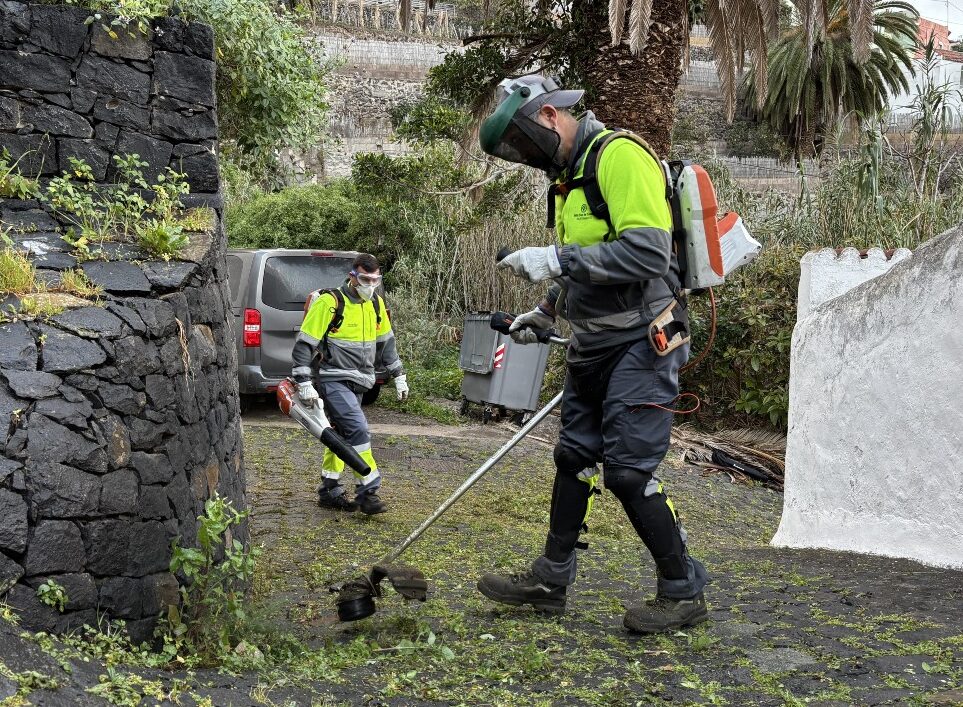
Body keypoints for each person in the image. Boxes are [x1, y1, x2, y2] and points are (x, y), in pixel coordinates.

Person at [475, 75, 709, 633]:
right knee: (572, 458)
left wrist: (557, 259)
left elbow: (647, 253)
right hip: (592, 342)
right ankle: (550, 580)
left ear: (551, 117)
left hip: (644, 339)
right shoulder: (568, 181)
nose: (528, 157)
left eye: (527, 142)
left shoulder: (619, 156)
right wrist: (547, 311)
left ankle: (683, 589)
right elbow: (586, 260)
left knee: (628, 472)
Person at [291, 253, 408, 515]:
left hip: (361, 380)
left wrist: (398, 375)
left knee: (341, 434)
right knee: (358, 431)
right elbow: (305, 344)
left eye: (376, 280)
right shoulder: (330, 303)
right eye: (366, 279)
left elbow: (386, 343)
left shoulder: (375, 304)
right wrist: (303, 380)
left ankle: (329, 489)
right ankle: (368, 490)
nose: (371, 285)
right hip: (334, 378)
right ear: (352, 277)